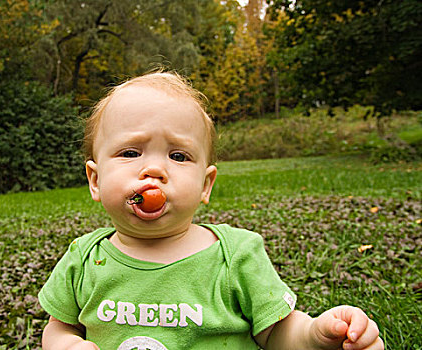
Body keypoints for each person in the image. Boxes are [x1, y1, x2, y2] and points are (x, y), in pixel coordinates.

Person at [38, 71, 383, 350]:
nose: (154, 170)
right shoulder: (83, 259)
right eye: (130, 153)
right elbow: (57, 329)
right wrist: (67, 345)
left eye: (178, 156)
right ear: (95, 180)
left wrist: (314, 336)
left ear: (205, 186)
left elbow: (277, 333)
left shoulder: (236, 256)